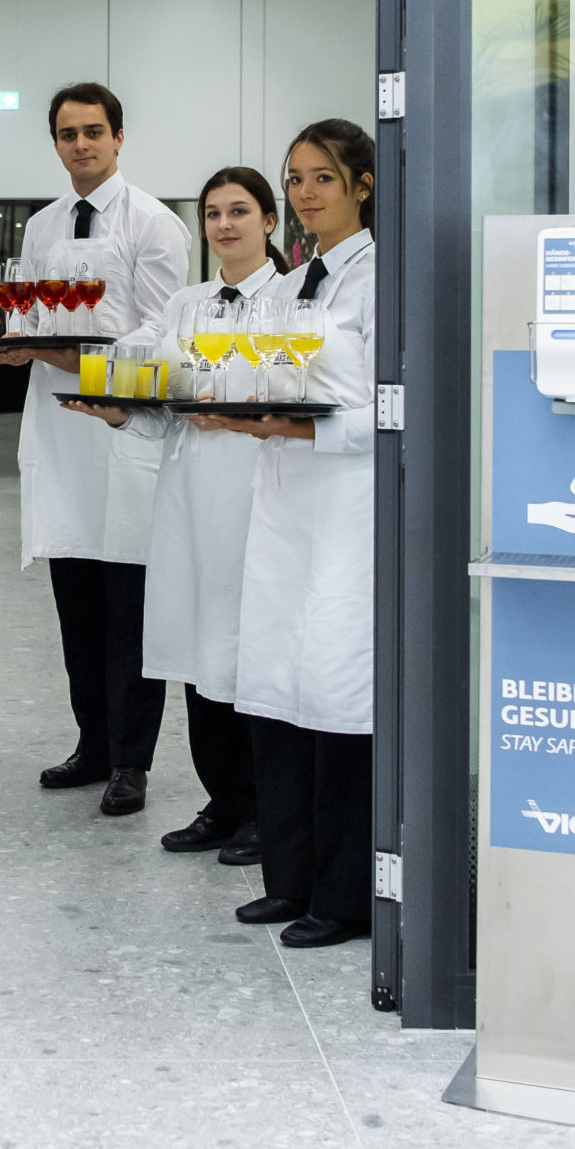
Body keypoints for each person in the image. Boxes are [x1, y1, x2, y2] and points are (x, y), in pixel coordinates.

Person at [58, 167, 284, 866]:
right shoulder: (185, 305)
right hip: (187, 496)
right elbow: (164, 410)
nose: (224, 225)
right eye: (213, 213)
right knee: (194, 650)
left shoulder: (293, 304)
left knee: (247, 654)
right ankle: (222, 802)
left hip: (256, 495)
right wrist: (118, 412)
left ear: (269, 221)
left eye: (239, 211)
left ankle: (265, 811)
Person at [200, 119, 379, 950]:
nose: (306, 193)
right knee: (274, 683)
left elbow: (395, 407)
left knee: (335, 692)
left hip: (344, 503)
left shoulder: (381, 278)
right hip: (280, 498)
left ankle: (344, 896)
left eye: (323, 178)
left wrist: (307, 430)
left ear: (363, 186)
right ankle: (290, 877)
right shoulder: (294, 279)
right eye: (296, 178)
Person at [0, 82, 189, 817]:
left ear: (119, 137)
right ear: (55, 143)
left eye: (94, 131)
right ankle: (93, 742)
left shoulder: (155, 223)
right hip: (60, 434)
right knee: (75, 601)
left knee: (129, 609)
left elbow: (162, 335)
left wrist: (69, 358)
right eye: (69, 133)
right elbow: (34, 316)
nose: (82, 144)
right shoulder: (43, 226)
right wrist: (21, 341)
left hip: (124, 431)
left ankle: (132, 760)